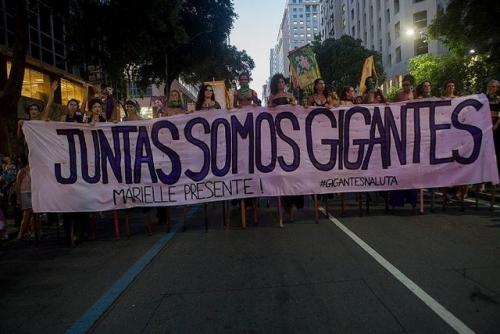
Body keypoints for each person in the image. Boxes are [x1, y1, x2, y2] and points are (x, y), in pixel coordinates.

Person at [268, 73, 301, 225]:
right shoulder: (272, 98)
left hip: (291, 137)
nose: (282, 84)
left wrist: (294, 103)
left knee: (293, 173)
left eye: (283, 82)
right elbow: (268, 112)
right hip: (277, 137)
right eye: (279, 82)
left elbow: (296, 109)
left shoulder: (290, 95)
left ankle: (292, 206)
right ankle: (283, 207)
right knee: (281, 175)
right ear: (275, 84)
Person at [390, 74, 418, 212]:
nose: (405, 87)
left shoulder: (417, 95)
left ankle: (412, 199)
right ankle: (397, 199)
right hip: (401, 131)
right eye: (403, 85)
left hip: (414, 133)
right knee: (400, 165)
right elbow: (391, 110)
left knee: (412, 167)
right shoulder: (398, 96)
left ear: (412, 85)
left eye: (407, 84)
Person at [15, 156, 40, 241]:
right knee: (26, 215)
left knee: (34, 214)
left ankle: (33, 232)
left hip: (33, 192)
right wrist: (18, 198)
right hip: (25, 193)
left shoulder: (32, 169)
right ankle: (20, 234)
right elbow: (18, 186)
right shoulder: (21, 172)